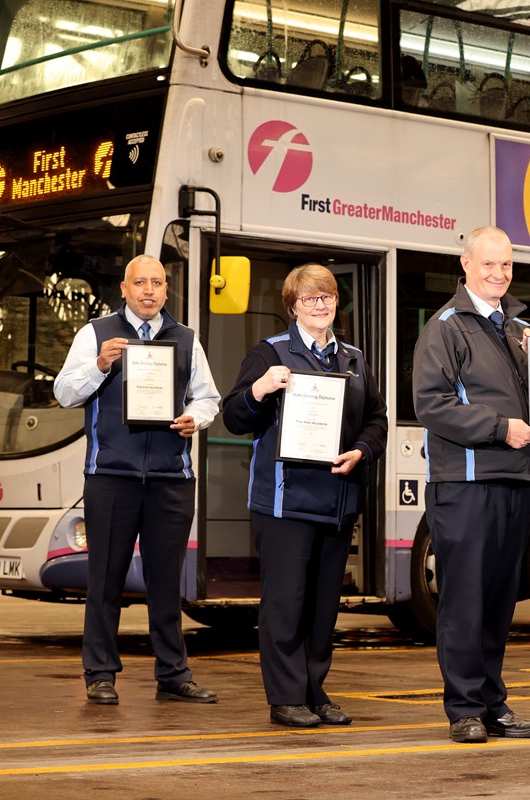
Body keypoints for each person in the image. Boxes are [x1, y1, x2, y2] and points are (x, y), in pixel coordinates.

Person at [222, 264, 387, 728]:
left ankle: (316, 692)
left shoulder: (352, 358)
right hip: (284, 502)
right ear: (293, 305)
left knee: (322, 608)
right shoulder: (270, 353)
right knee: (285, 602)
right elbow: (234, 417)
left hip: (337, 501)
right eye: (311, 299)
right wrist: (259, 388)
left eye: (328, 297)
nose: (322, 305)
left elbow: (377, 418)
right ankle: (286, 697)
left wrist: (361, 450)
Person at [54, 254, 220, 706]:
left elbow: (209, 398)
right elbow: (64, 392)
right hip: (110, 476)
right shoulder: (96, 334)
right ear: (124, 289)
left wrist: (194, 419)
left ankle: (173, 674)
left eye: (157, 283)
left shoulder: (186, 339)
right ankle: (101, 674)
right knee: (105, 578)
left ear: (167, 291)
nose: (149, 290)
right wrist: (100, 366)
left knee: (166, 581)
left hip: (171, 478)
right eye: (139, 282)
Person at [412, 226, 530, 743]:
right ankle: (464, 707)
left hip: (515, 478)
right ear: (465, 266)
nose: (499, 274)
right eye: (488, 265)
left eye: (507, 265)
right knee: (465, 599)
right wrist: (499, 427)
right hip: (466, 482)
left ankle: (493, 703)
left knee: (497, 599)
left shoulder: (518, 329)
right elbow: (432, 403)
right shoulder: (446, 326)